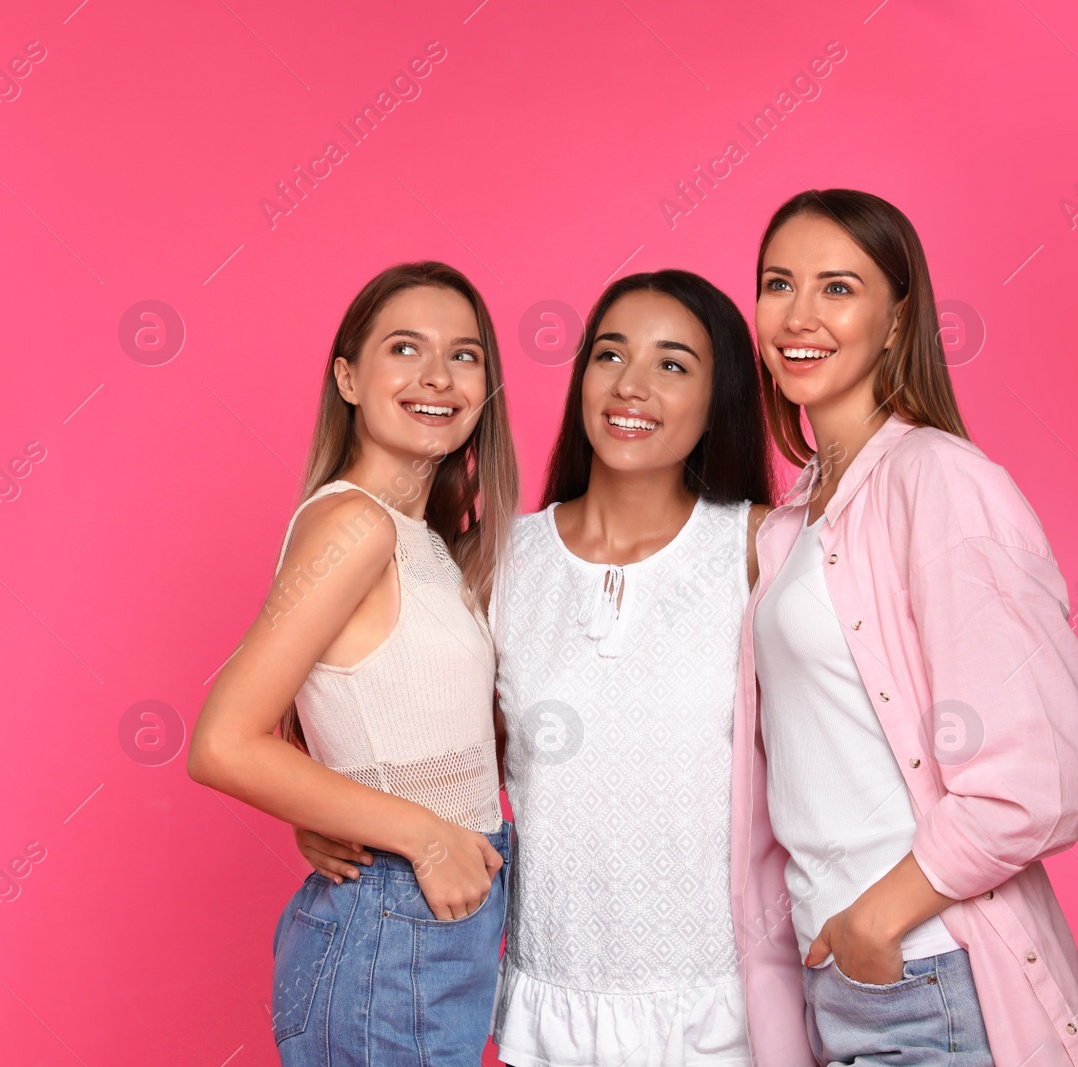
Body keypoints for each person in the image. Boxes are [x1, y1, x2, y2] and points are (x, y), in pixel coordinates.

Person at [300, 269, 776, 1066]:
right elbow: (418, 723)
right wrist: (332, 809)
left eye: (673, 364)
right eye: (609, 354)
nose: (632, 385)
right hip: (551, 1006)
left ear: (719, 394)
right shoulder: (498, 561)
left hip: (720, 1005)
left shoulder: (761, 550)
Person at [734, 188, 1078, 1066]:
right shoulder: (793, 527)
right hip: (837, 979)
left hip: (926, 971)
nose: (799, 314)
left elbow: (1037, 773)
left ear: (898, 319)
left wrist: (879, 917)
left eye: (838, 288)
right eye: (778, 283)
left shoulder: (938, 481)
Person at [187, 260, 520, 1066]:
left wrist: (339, 808)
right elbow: (222, 741)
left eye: (465, 355)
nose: (437, 376)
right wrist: (419, 833)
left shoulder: (425, 539)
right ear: (348, 376)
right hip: (392, 919)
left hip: (431, 918)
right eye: (405, 348)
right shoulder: (353, 527)